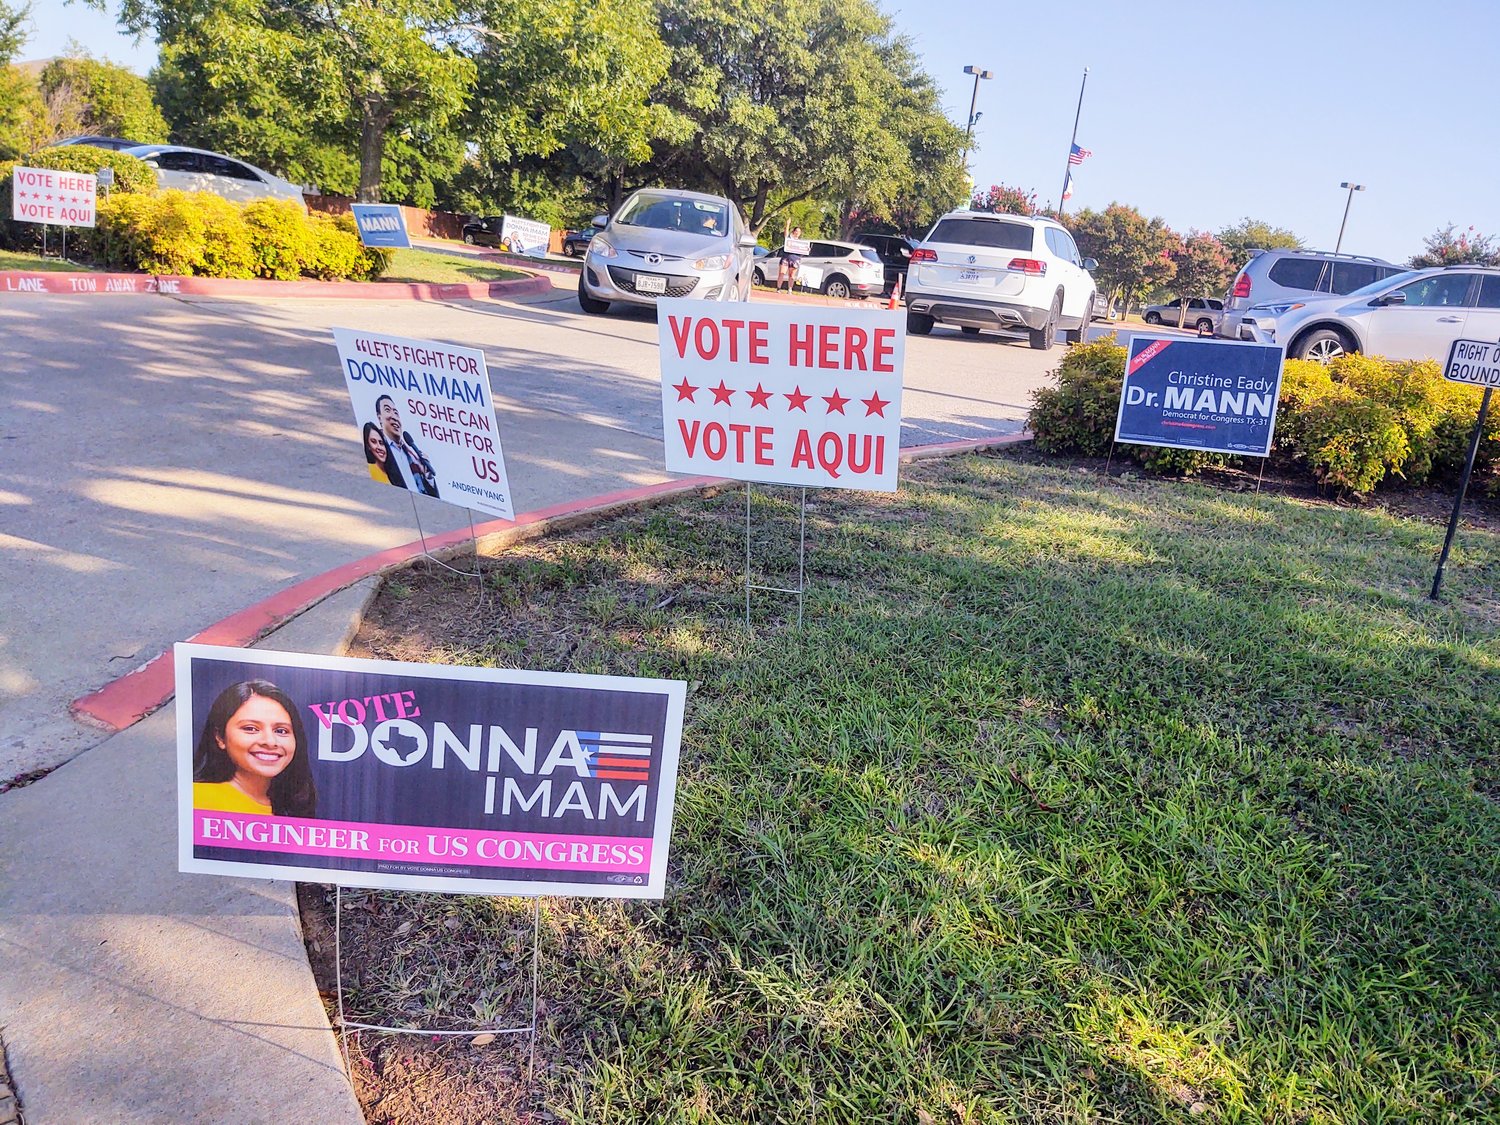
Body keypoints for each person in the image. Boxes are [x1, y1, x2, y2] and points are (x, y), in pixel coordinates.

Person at [192, 680, 317, 818]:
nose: (270, 741)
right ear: (220, 738)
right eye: (250, 728)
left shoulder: (292, 808)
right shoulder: (196, 800)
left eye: (281, 731)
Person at [375, 394, 439, 498]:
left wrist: (428, 476)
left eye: (396, 412)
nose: (394, 416)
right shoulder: (379, 449)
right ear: (379, 418)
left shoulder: (412, 455)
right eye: (388, 410)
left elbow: (432, 496)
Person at [363, 421, 407, 488]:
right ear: (368, 446)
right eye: (373, 442)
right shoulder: (371, 470)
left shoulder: (395, 470)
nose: (379, 447)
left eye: (381, 443)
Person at [778, 226, 804, 293]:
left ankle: (790, 289)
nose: (797, 233)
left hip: (795, 259)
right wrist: (787, 225)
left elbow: (803, 251)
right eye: (796, 231)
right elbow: (786, 234)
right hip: (786, 258)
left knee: (792, 275)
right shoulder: (789, 238)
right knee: (782, 273)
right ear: (793, 231)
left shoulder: (801, 243)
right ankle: (778, 288)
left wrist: (806, 250)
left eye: (799, 232)